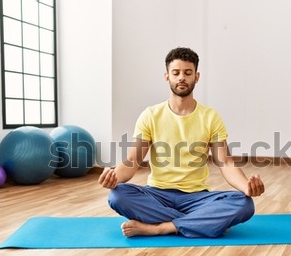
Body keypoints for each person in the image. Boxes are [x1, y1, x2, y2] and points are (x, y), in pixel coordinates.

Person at [98, 47, 265, 238]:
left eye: (187, 73)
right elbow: (132, 162)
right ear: (167, 76)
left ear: (197, 76)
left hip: (197, 196)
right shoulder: (150, 115)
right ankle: (203, 222)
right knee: (117, 195)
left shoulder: (210, 117)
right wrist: (113, 178)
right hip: (157, 194)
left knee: (244, 204)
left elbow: (225, 163)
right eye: (176, 73)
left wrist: (246, 187)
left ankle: (162, 227)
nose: (181, 78)